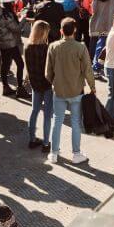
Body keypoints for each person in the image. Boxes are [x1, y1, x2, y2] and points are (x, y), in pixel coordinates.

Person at [45, 18, 95, 165]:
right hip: (76, 91)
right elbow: (87, 70)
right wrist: (92, 86)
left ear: (61, 31)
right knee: (75, 123)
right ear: (74, 31)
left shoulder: (53, 47)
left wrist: (55, 82)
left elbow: (48, 72)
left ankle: (54, 153)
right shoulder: (81, 47)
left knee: (57, 122)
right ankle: (76, 153)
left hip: (59, 90)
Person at [24, 20, 54, 152]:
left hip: (35, 84)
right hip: (47, 84)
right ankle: (46, 144)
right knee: (47, 115)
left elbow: (28, 67)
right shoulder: (47, 49)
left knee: (34, 111)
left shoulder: (27, 47)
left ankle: (32, 139)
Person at [0, 0, 25, 97]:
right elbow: (17, 28)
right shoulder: (8, 15)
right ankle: (20, 88)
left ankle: (5, 87)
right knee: (20, 64)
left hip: (1, 42)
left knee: (4, 65)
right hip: (10, 43)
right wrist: (23, 18)